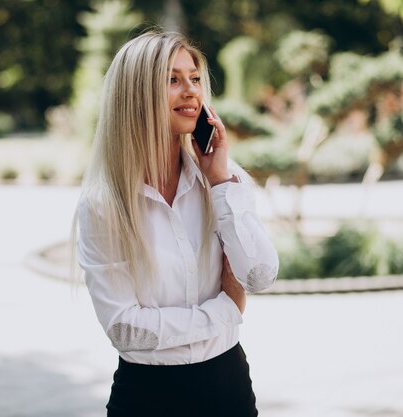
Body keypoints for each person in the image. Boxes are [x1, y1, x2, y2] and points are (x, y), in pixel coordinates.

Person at [75, 31, 279, 417]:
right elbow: (125, 330)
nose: (191, 91)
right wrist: (224, 311)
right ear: (135, 95)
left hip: (228, 386)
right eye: (172, 79)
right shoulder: (104, 203)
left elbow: (260, 275)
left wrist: (220, 184)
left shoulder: (223, 180)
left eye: (195, 78)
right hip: (146, 396)